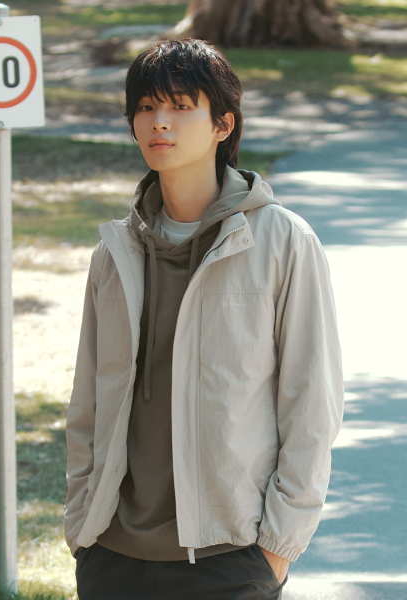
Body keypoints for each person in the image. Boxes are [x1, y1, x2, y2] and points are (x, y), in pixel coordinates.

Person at [64, 39, 343, 600]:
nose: (159, 122)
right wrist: (82, 527)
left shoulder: (282, 241)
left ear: (223, 124)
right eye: (146, 107)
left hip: (229, 556)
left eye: (180, 106)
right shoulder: (114, 253)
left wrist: (277, 548)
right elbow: (88, 403)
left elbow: (312, 403)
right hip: (112, 554)